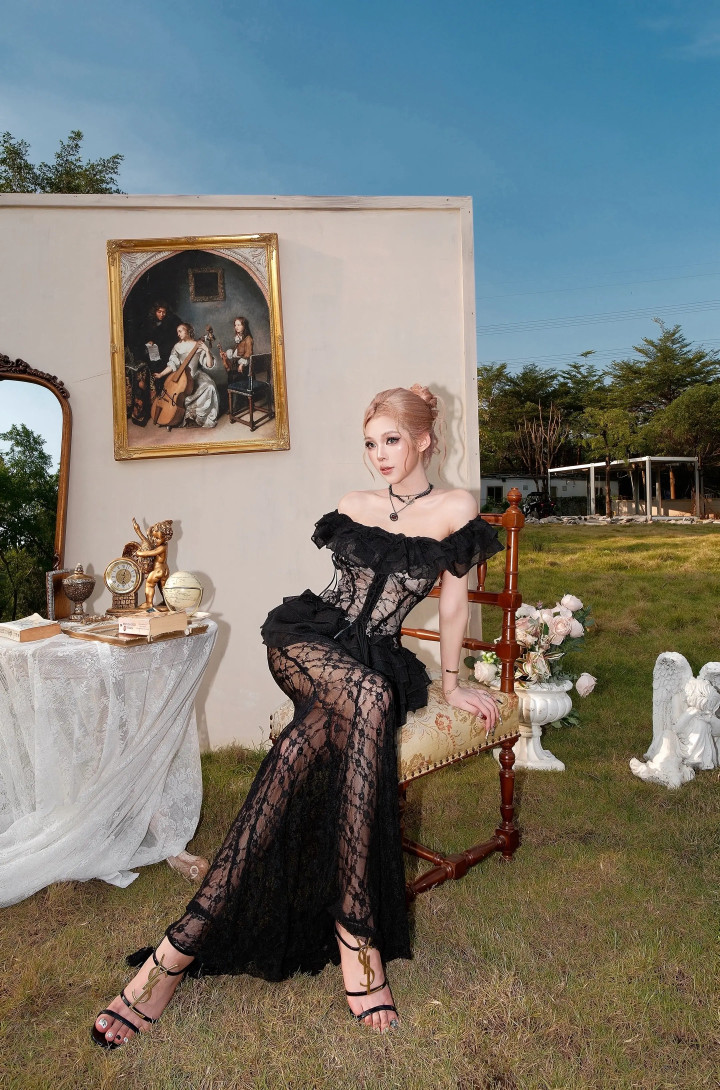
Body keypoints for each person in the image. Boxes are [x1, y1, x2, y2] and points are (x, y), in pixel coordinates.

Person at [92, 384, 503, 1047]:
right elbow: (344, 600)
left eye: (392, 440)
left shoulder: (456, 509)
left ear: (425, 439)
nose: (379, 455)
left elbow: (454, 606)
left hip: (378, 659)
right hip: (309, 641)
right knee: (367, 698)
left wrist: (453, 687)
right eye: (370, 443)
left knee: (299, 748)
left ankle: (178, 950)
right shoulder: (354, 504)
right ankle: (356, 934)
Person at [154, 323, 219, 428]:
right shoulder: (177, 346)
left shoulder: (197, 345)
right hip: (180, 377)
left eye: (180, 331)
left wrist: (206, 350)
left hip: (195, 375)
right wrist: (161, 374)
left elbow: (209, 364)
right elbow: (172, 364)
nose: (178, 334)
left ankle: (197, 417)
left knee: (210, 386)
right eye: (177, 332)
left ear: (188, 331)